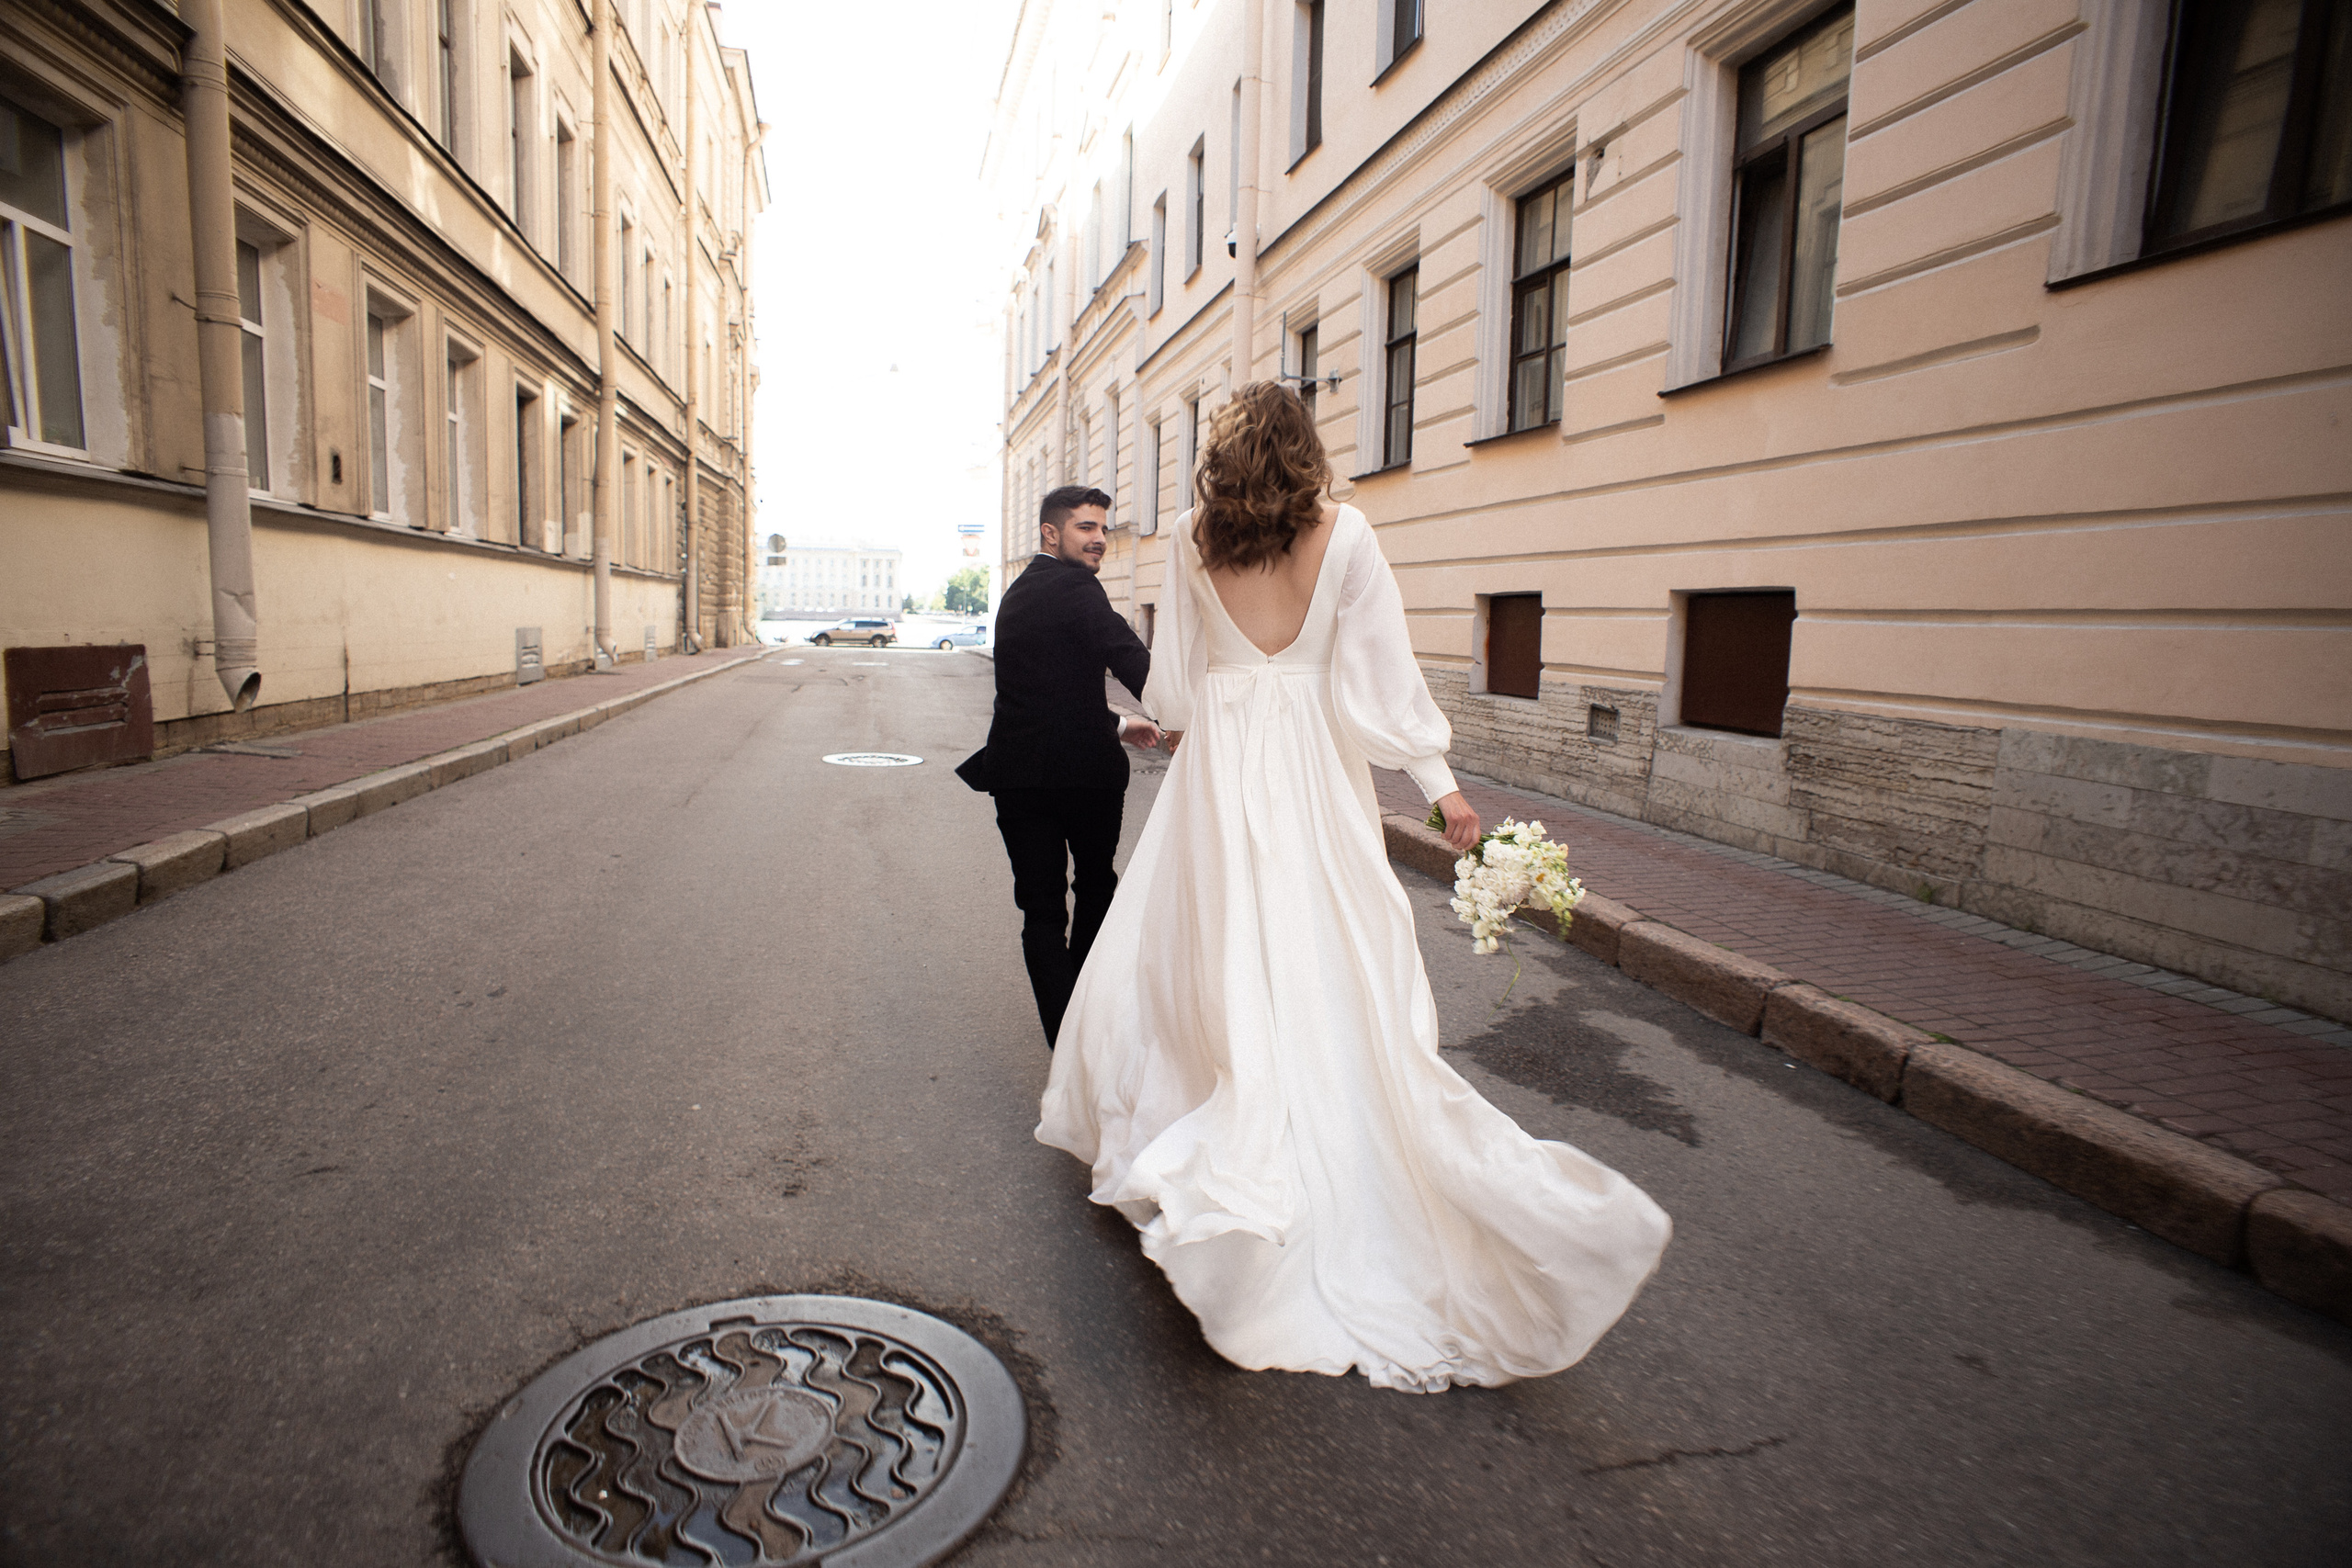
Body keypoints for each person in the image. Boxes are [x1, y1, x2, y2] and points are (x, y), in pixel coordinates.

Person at [1037, 384, 1670, 1393]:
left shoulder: (1193, 538)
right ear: (1306, 450)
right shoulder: (1351, 533)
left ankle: (1220, 1115)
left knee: (1211, 948)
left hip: (1221, 773)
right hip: (1315, 776)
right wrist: (1441, 789)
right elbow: (1382, 681)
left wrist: (1176, 717)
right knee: (1328, 944)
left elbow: (1173, 694)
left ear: (1221, 457)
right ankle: (1320, 1124)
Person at [958, 485, 1163, 1046]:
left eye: (1103, 527)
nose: (1100, 539)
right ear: (1052, 533)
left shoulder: (1018, 593)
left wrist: (1121, 724)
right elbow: (1131, 660)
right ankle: (1082, 1022)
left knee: (1041, 907)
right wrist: (1188, 712)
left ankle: (1064, 1031)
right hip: (1084, 780)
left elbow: (1049, 691)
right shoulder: (1080, 589)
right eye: (1085, 528)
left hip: (1018, 780)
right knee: (1095, 886)